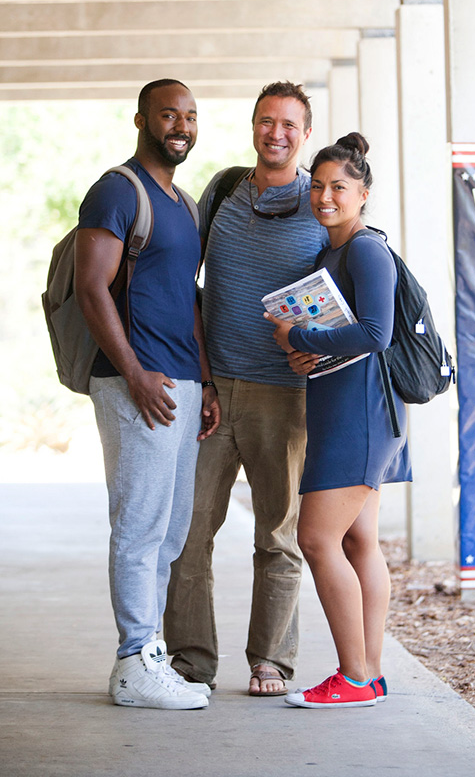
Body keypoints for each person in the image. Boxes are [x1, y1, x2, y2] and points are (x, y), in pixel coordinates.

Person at [164, 81, 326, 696]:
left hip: (285, 395)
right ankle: (189, 661)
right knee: (187, 531)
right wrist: (199, 376)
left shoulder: (321, 199)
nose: (275, 133)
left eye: (288, 124)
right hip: (208, 392)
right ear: (253, 127)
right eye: (266, 121)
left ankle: (272, 662)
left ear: (304, 133)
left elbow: (344, 297)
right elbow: (186, 281)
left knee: (277, 535)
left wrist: (318, 344)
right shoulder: (225, 189)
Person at [74, 78, 221, 710]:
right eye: (168, 114)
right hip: (136, 384)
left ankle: (149, 653)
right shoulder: (117, 190)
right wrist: (134, 374)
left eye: (190, 115)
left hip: (182, 385)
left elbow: (187, 297)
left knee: (169, 532)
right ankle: (133, 659)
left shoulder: (183, 204)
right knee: (139, 526)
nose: (181, 125)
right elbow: (91, 287)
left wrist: (207, 379)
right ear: (141, 120)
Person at [265, 133, 412, 708]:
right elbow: (339, 339)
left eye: (339, 187)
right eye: (318, 186)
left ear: (363, 193)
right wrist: (305, 348)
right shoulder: (330, 255)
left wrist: (297, 335)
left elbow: (378, 333)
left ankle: (353, 677)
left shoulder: (366, 251)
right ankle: (368, 674)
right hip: (342, 407)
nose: (325, 196)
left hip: (363, 414)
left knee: (315, 537)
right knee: (358, 541)